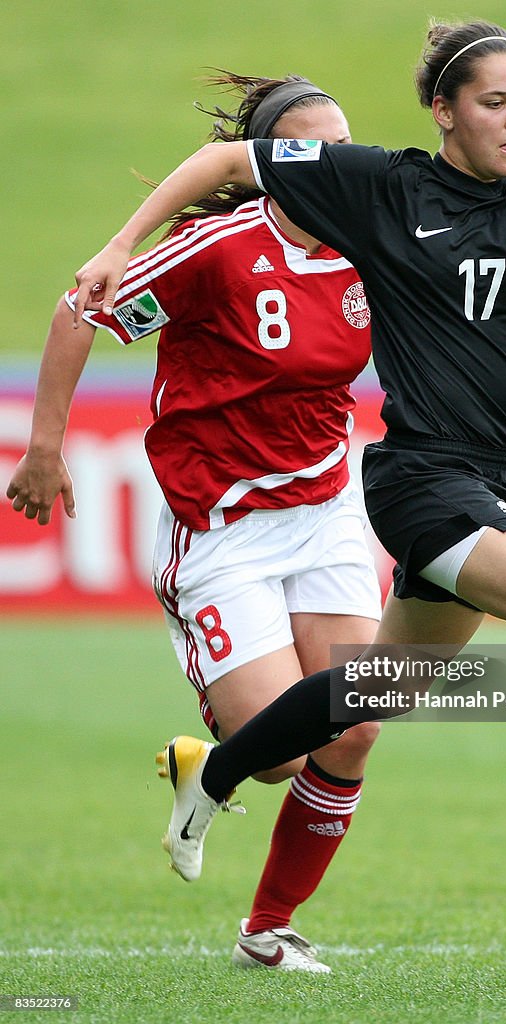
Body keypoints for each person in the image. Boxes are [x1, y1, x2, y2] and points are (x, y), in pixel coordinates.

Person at [64, 20, 506, 966]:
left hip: (499, 479)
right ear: (444, 111)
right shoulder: (384, 187)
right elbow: (226, 160)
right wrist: (121, 243)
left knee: (368, 695)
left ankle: (214, 776)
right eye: (494, 102)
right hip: (421, 482)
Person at [6, 74, 385, 974]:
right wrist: (44, 450)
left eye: (343, 141)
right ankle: (206, 762)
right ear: (268, 166)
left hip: (327, 511)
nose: (335, 161)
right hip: (222, 530)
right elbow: (81, 308)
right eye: (308, 147)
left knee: (357, 725)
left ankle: (268, 929)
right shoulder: (214, 250)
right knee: (280, 761)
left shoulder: (373, 240)